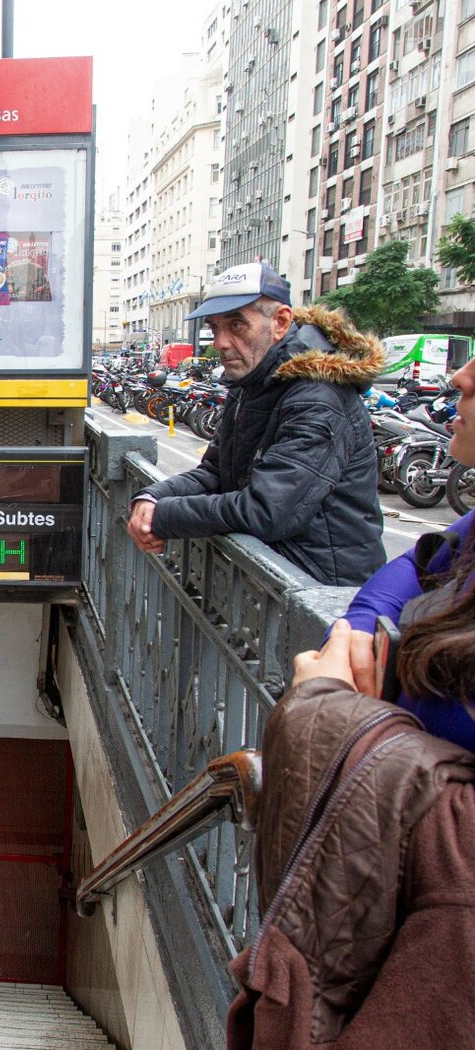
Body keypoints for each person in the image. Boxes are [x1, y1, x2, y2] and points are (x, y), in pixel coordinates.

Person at [225, 351, 475, 1047]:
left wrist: (328, 706)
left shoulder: (313, 401)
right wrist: (358, 630)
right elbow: (415, 565)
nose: (458, 377)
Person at [126, 261, 385, 586]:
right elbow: (216, 473)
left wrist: (163, 516)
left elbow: (268, 510)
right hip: (276, 587)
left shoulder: (318, 397)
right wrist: (151, 497)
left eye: (236, 326)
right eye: (215, 327)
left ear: (280, 322)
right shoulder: (253, 380)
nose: (220, 342)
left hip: (325, 598)